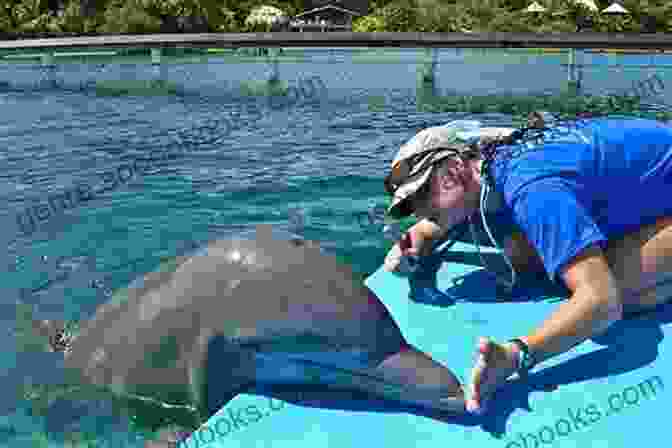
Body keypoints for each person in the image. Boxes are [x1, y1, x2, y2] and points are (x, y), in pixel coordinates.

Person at [383, 114, 672, 415]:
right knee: (528, 251)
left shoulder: (532, 188)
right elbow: (449, 209)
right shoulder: (495, 155)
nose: (420, 211)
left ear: (455, 170)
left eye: (423, 196)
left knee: (616, 288)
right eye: (413, 205)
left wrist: (516, 354)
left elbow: (601, 301)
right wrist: (421, 235)